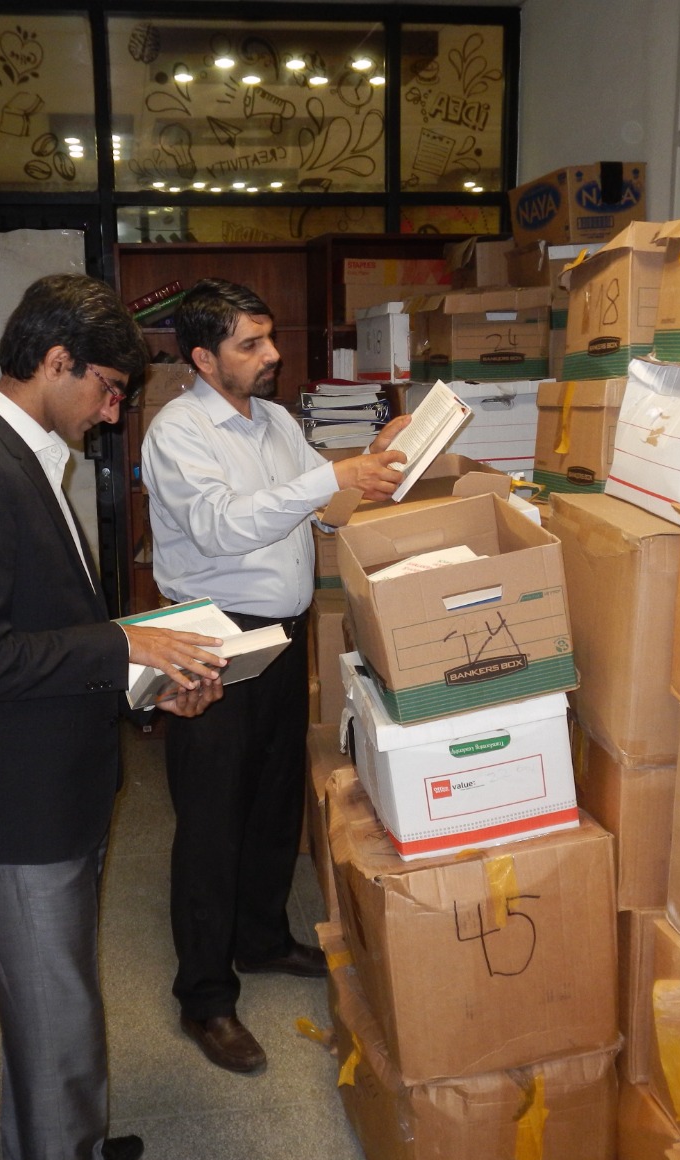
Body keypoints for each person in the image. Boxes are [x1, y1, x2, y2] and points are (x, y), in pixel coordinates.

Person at [0, 273, 226, 1160]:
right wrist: (122, 639)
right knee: (54, 1017)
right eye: (107, 389)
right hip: (20, 802)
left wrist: (142, 690)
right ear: (56, 362)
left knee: (62, 1005)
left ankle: (62, 1154)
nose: (112, 411)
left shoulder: (27, 453)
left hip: (58, 777)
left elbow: (45, 632)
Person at [139, 277, 411, 1074]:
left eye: (269, 338)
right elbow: (222, 527)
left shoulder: (279, 421)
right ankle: (205, 996)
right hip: (208, 638)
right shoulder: (178, 432)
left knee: (268, 801)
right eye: (250, 344)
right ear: (201, 356)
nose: (272, 355)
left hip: (280, 635)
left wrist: (378, 466)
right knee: (211, 818)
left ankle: (259, 938)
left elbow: (324, 514)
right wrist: (332, 476)